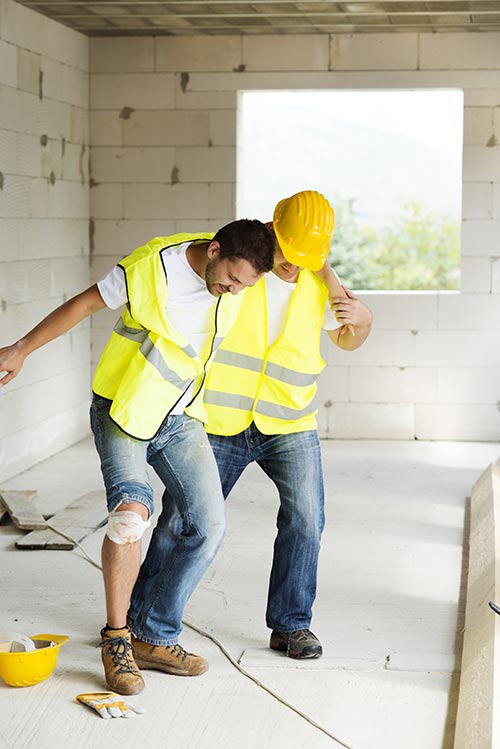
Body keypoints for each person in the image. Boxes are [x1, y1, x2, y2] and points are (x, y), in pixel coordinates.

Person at [0, 220, 275, 694]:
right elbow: (84, 303)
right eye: (232, 280)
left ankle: (153, 635)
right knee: (130, 517)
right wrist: (21, 349)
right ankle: (117, 641)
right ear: (214, 251)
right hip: (123, 408)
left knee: (209, 527)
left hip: (180, 415)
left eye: (243, 287)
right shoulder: (150, 270)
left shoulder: (234, 271)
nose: (233, 292)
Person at [197, 191, 373, 659]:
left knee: (306, 519)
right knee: (186, 520)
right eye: (289, 254)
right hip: (223, 420)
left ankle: (291, 626)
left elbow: (350, 338)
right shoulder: (240, 274)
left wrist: (365, 318)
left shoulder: (318, 285)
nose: (294, 266)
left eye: (306, 258)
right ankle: (144, 616)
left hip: (290, 422)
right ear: (273, 230)